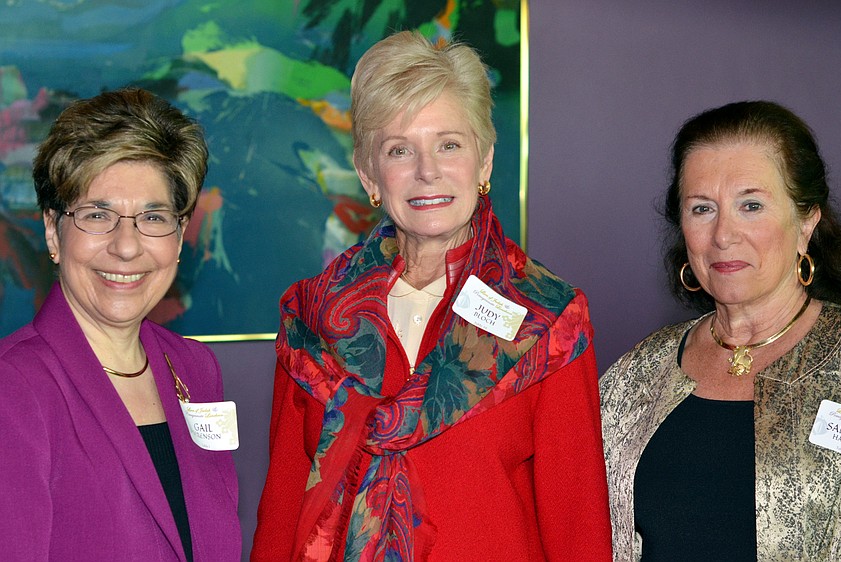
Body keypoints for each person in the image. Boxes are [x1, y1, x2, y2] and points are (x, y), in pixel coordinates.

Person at [252, 30, 612, 561]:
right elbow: (282, 511)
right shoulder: (311, 316)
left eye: (449, 144)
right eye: (400, 150)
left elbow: (577, 526)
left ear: (484, 162)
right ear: (369, 175)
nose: (428, 171)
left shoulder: (548, 316)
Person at [600, 100, 841, 560]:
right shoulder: (636, 374)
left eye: (751, 205)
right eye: (702, 209)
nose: (723, 234)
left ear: (806, 222)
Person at [0, 88, 241, 561]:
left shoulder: (193, 367)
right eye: (97, 215)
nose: (126, 246)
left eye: (153, 217)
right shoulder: (14, 387)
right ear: (53, 231)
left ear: (178, 235)